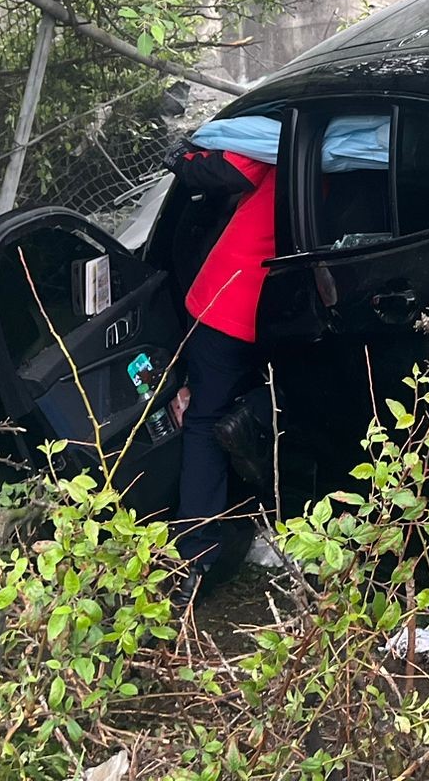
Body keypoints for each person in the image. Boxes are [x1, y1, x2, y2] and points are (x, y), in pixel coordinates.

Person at [162, 115, 281, 597]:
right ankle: (203, 547)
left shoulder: (282, 139)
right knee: (223, 410)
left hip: (233, 300)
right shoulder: (354, 145)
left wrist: (180, 157)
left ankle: (196, 554)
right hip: (269, 304)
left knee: (207, 416)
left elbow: (230, 168)